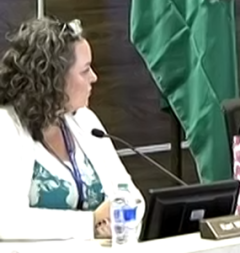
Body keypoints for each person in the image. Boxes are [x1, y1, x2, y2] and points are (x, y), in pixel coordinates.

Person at [0, 17, 143, 241]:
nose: (94, 78)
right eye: (85, 70)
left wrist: (119, 223)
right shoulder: (6, 127)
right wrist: (90, 223)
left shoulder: (86, 121)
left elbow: (132, 196)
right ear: (54, 79)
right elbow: (7, 221)